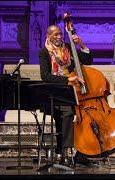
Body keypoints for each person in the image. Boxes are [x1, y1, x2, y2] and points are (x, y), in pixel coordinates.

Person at [39, 25, 92, 165]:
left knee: (87, 114)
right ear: (48, 36)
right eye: (55, 34)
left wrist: (81, 44)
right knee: (67, 113)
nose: (59, 37)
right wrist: (67, 79)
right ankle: (66, 150)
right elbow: (45, 76)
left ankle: (82, 151)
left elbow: (88, 61)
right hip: (55, 92)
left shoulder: (68, 48)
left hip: (72, 91)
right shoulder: (44, 52)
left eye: (60, 34)